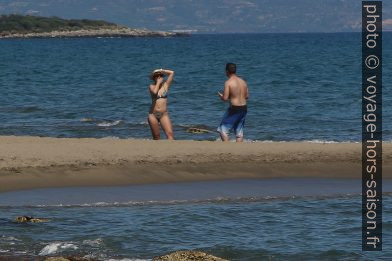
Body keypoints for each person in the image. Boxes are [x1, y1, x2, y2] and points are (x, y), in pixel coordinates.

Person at [217, 63, 249, 142]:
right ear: (235, 70)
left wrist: (221, 96)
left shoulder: (228, 82)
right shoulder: (243, 82)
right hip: (244, 107)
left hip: (234, 108)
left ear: (227, 71)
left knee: (222, 130)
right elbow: (247, 96)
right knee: (239, 132)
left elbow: (225, 98)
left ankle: (228, 148)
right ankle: (238, 150)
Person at [148, 68, 175, 140]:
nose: (159, 77)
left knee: (170, 135)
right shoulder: (151, 86)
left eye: (160, 76)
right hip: (153, 115)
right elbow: (154, 92)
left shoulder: (166, 86)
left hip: (164, 115)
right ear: (154, 78)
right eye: (157, 76)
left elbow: (172, 72)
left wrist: (162, 70)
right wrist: (158, 83)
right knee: (156, 137)